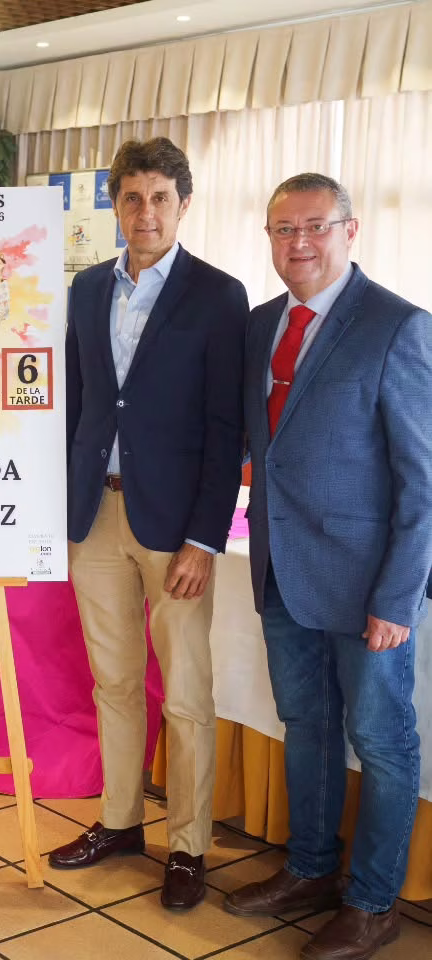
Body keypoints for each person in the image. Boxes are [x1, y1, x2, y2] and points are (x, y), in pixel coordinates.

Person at [224, 173, 432, 960]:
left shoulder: (399, 327)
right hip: (281, 573)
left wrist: (397, 599)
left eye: (315, 226)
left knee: (381, 742)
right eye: (282, 229)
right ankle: (309, 870)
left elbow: (424, 484)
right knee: (305, 726)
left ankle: (374, 902)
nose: (298, 243)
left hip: (366, 587)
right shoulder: (260, 326)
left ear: (350, 231)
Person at [53, 138, 248, 910]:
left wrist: (205, 536)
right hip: (94, 513)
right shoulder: (86, 287)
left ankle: (189, 844)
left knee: (188, 691)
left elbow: (227, 422)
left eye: (159, 197)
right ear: (114, 204)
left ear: (184, 204)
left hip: (176, 529)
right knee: (114, 682)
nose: (145, 212)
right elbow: (76, 402)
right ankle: (121, 820)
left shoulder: (217, 295)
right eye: (130, 197)